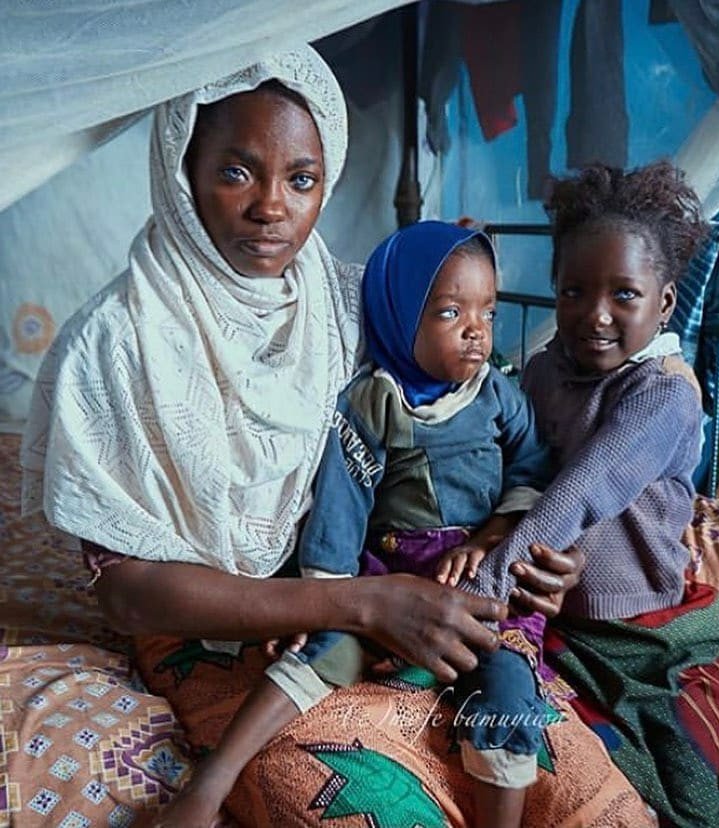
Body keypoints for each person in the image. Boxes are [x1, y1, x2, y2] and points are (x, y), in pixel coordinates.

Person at [19, 46, 590, 826]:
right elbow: (126, 593)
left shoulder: (355, 306)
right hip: (218, 633)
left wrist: (532, 549)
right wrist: (362, 605)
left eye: (302, 179)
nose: (271, 208)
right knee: (364, 808)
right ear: (182, 170)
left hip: (392, 599)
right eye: (235, 172)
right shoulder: (115, 344)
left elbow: (471, 451)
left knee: (582, 792)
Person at [152, 220, 558, 828]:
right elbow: (341, 509)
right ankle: (209, 785)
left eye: (489, 313)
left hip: (478, 586)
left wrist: (491, 536)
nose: (477, 331)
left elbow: (533, 468)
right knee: (321, 651)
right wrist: (323, 602)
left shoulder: (498, 394)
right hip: (390, 583)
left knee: (507, 686)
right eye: (450, 313)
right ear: (398, 315)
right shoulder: (373, 402)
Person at [465, 160, 719, 827]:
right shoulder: (546, 368)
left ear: (665, 302)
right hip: (555, 608)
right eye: (574, 292)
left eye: (624, 295)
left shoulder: (664, 393)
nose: (595, 316)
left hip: (634, 625)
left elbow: (583, 490)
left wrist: (482, 589)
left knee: (671, 778)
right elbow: (519, 468)